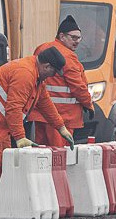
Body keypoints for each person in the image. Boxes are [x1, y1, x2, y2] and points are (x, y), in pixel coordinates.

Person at [0, 47, 75, 217]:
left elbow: (44, 103)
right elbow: (13, 108)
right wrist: (20, 137)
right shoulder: (25, 74)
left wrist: (60, 127)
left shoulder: (36, 76)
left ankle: (6, 199)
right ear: (46, 66)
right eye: (53, 71)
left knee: (4, 158)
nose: (54, 75)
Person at [32, 15, 95, 145]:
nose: (77, 41)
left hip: (40, 114)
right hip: (62, 117)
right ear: (62, 36)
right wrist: (89, 104)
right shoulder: (68, 57)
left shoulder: (41, 48)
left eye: (79, 38)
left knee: (41, 153)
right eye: (73, 38)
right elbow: (78, 87)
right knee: (58, 155)